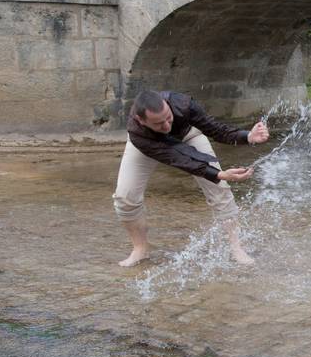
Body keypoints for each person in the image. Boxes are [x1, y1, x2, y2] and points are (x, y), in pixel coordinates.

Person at [113, 90, 270, 267]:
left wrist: (247, 136)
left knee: (219, 188)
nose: (166, 126)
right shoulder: (137, 132)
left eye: (168, 117)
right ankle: (140, 249)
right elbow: (178, 159)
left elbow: (215, 129)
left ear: (168, 107)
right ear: (142, 120)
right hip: (152, 145)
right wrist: (217, 173)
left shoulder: (183, 103)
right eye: (159, 123)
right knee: (125, 198)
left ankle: (237, 248)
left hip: (189, 136)